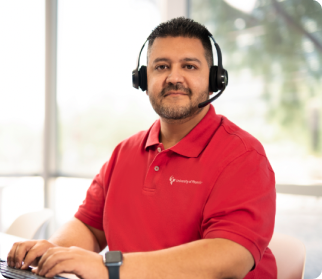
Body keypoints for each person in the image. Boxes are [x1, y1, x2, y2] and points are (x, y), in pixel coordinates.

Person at [7, 17, 276, 279]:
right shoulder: (124, 152)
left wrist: (108, 268)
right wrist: (55, 249)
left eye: (190, 66)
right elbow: (90, 227)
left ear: (215, 79)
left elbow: (229, 259)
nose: (174, 77)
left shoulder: (243, 156)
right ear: (143, 79)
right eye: (161, 66)